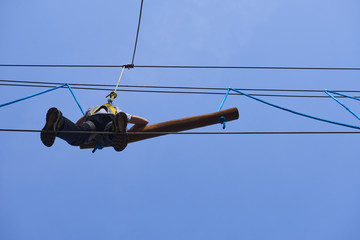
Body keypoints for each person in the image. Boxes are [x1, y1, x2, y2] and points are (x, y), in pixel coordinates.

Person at [40, 104, 148, 151]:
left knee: (79, 134)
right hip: (110, 120)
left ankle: (60, 124)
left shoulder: (91, 110)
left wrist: (77, 128)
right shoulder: (118, 112)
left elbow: (78, 125)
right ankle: (117, 130)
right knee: (111, 135)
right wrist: (128, 131)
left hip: (92, 121)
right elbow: (144, 122)